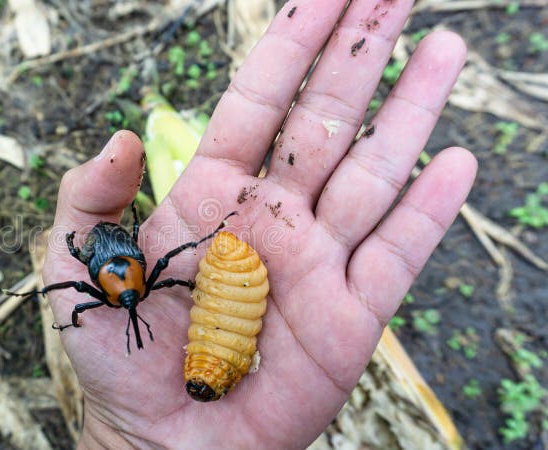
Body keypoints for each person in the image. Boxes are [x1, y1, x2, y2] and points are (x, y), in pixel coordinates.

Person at [42, 0, 476, 448]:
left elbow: (160, 268)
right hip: (185, 278)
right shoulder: (130, 287)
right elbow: (157, 270)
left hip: (192, 280)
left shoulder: (127, 287)